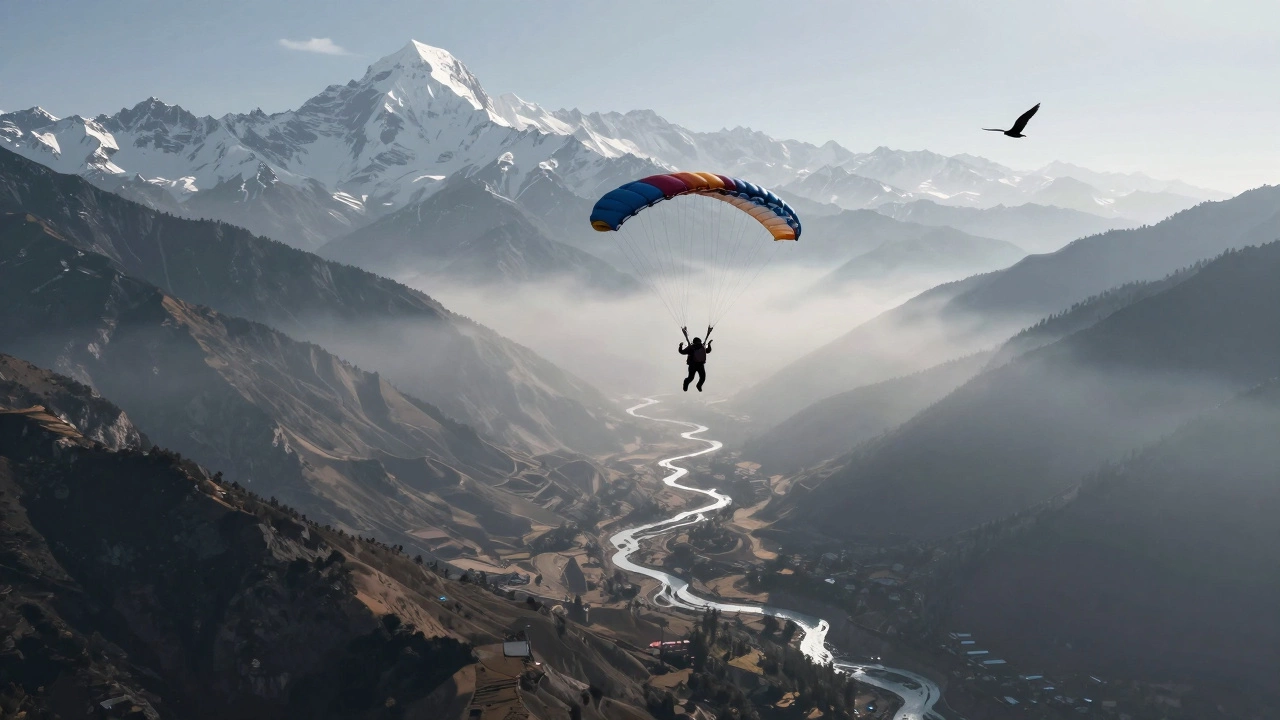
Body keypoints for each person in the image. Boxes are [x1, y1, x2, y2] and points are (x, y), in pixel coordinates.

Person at [678, 326, 713, 392]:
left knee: (695, 377)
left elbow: (682, 352)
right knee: (698, 377)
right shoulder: (697, 347)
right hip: (695, 365)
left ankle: (695, 385)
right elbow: (708, 350)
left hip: (696, 365)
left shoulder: (693, 347)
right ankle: (695, 385)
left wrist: (680, 346)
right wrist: (709, 344)